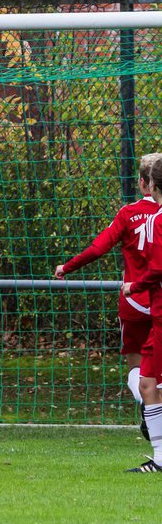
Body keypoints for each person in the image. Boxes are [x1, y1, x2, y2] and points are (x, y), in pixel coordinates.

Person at [56, 152, 161, 423]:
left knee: (137, 372)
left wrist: (66, 268)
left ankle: (151, 413)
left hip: (135, 301)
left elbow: (98, 248)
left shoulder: (129, 214)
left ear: (142, 182)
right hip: (158, 299)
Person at [117, 155, 162, 472]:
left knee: (147, 384)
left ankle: (160, 459)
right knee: (150, 383)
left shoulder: (157, 219)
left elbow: (158, 269)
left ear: (150, 183)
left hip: (152, 309)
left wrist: (135, 286)